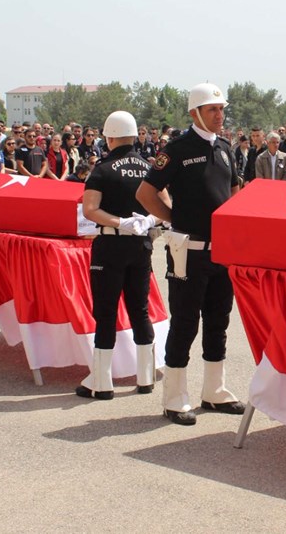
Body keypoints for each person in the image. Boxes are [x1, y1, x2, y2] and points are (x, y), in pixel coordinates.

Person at [137, 82, 246, 426]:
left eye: (221, 109)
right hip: (188, 249)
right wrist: (175, 218)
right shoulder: (177, 149)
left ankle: (214, 390)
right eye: (212, 109)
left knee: (219, 320)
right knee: (185, 322)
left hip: (221, 251)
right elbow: (146, 192)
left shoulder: (226, 148)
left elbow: (233, 191)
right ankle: (174, 398)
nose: (219, 114)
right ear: (195, 113)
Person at [76, 111, 166, 400]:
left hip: (111, 244)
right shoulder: (148, 168)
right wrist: (149, 221)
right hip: (140, 246)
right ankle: (145, 377)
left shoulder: (102, 169)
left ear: (109, 136)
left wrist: (118, 222)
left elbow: (90, 209)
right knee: (139, 309)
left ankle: (101, 382)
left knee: (106, 311)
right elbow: (166, 206)